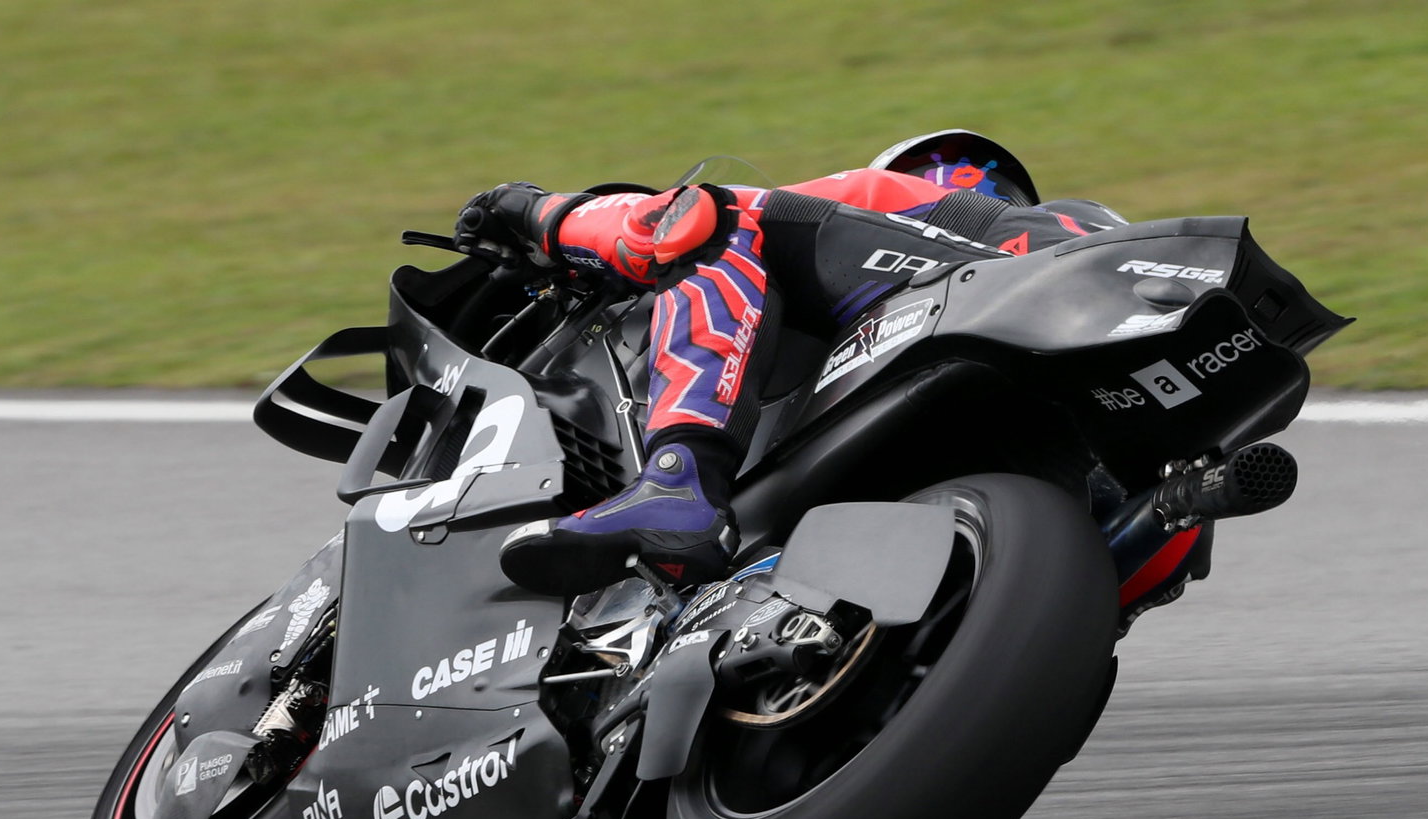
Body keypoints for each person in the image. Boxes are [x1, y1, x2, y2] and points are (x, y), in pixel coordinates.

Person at [457, 130, 1122, 596]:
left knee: (708, 214)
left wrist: (539, 215)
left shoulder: (896, 200)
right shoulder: (1085, 248)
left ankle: (677, 483)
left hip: (1003, 310)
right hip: (1093, 459)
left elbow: (677, 220)